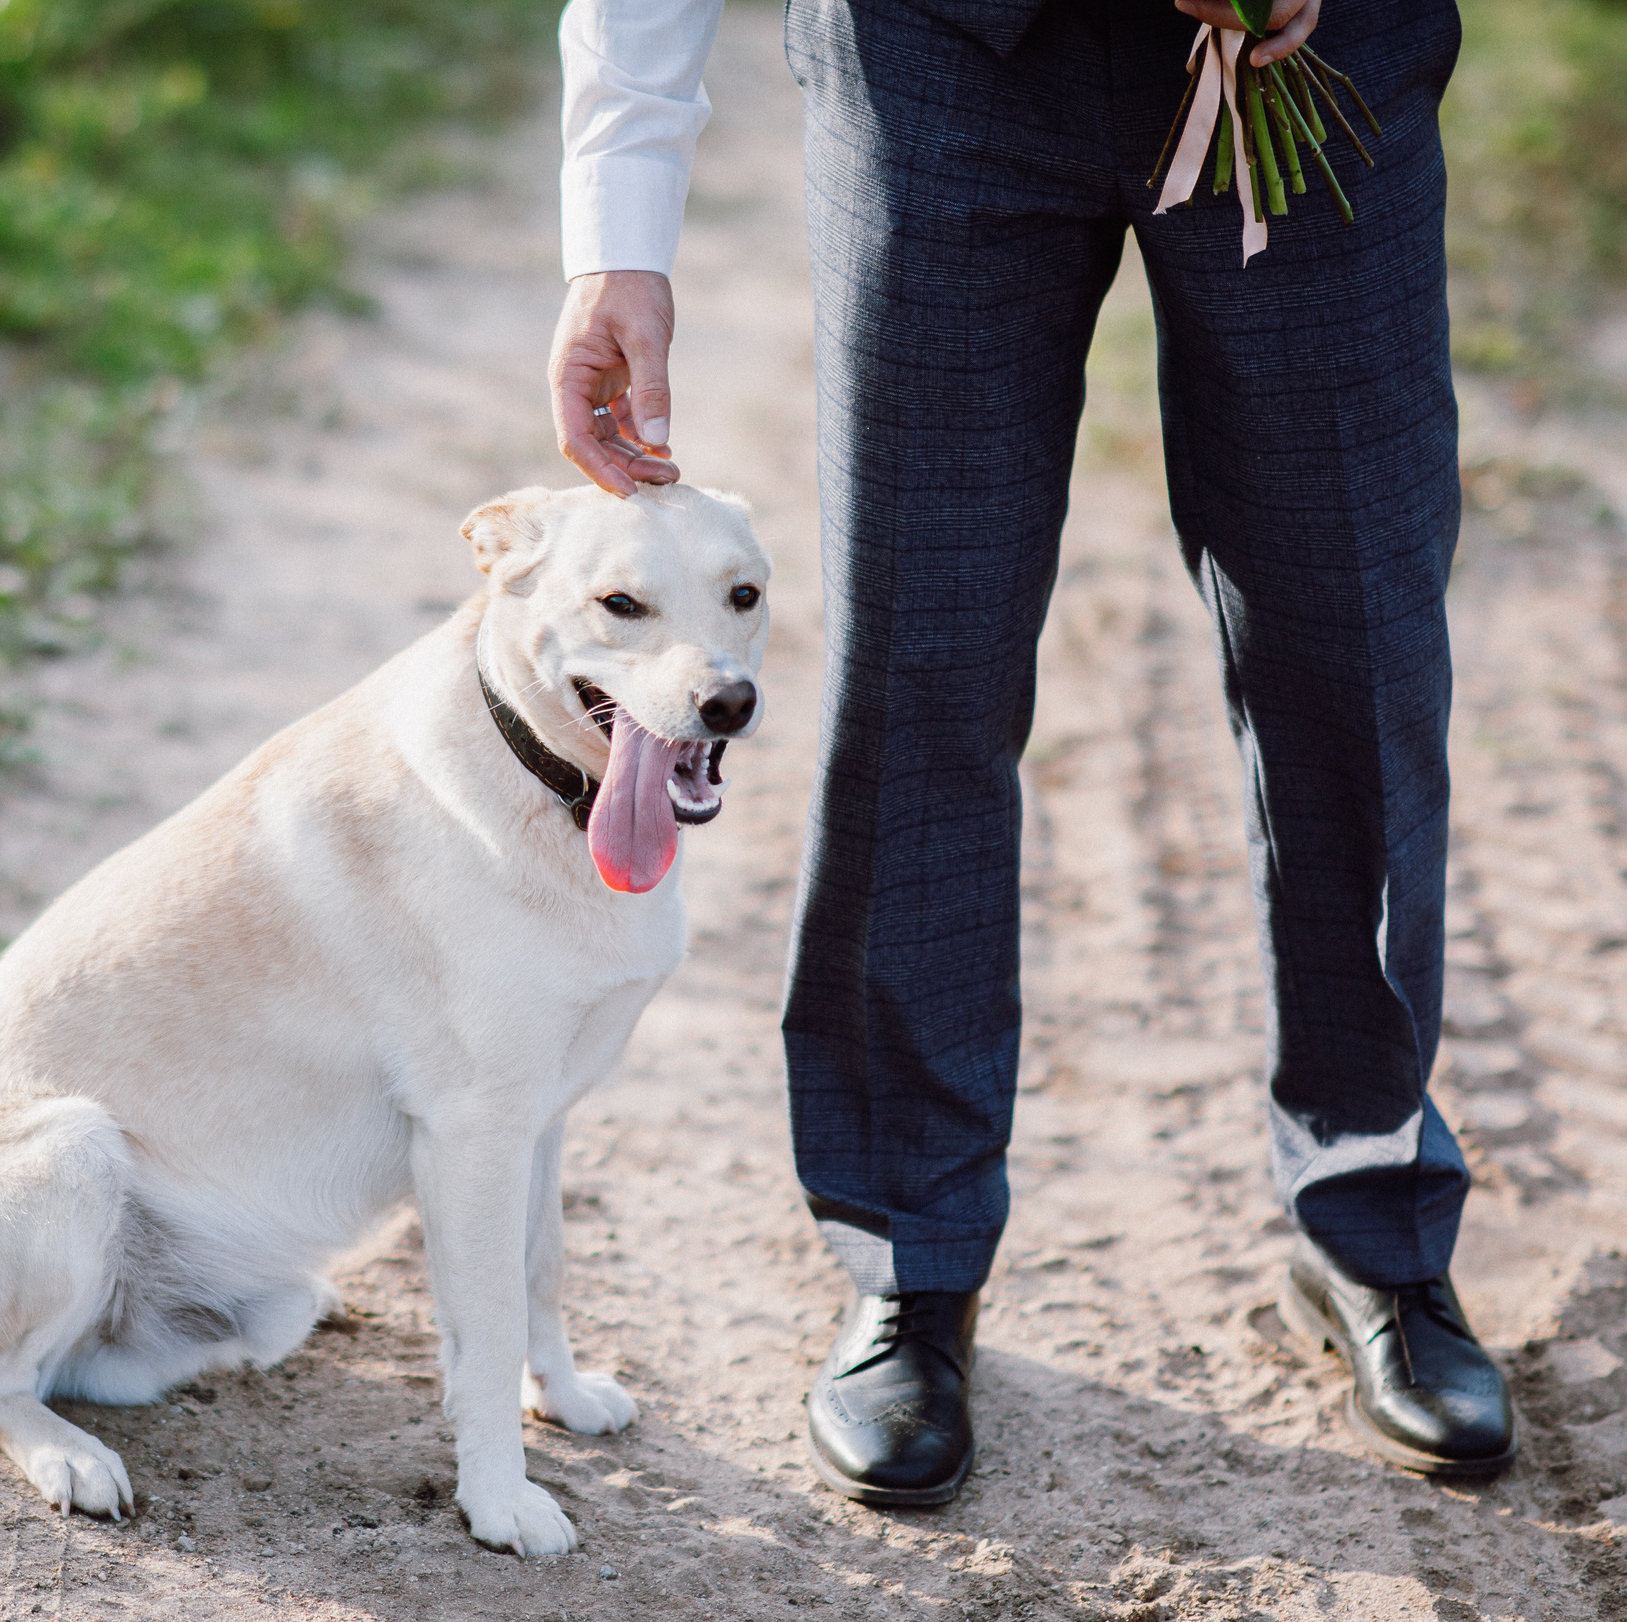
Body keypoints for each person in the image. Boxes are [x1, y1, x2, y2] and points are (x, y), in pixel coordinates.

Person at [545, 0, 1514, 1507]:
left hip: (1325, 57)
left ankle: (1374, 1212)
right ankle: (908, 1254)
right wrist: (620, 226)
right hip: (939, 61)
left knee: (1355, 654)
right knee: (920, 663)